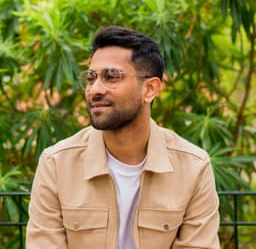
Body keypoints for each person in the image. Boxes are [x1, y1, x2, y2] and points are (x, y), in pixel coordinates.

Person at [26, 26, 220, 249]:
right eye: (91, 78)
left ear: (150, 89)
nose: (94, 90)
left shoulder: (193, 167)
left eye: (111, 77)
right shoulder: (56, 164)